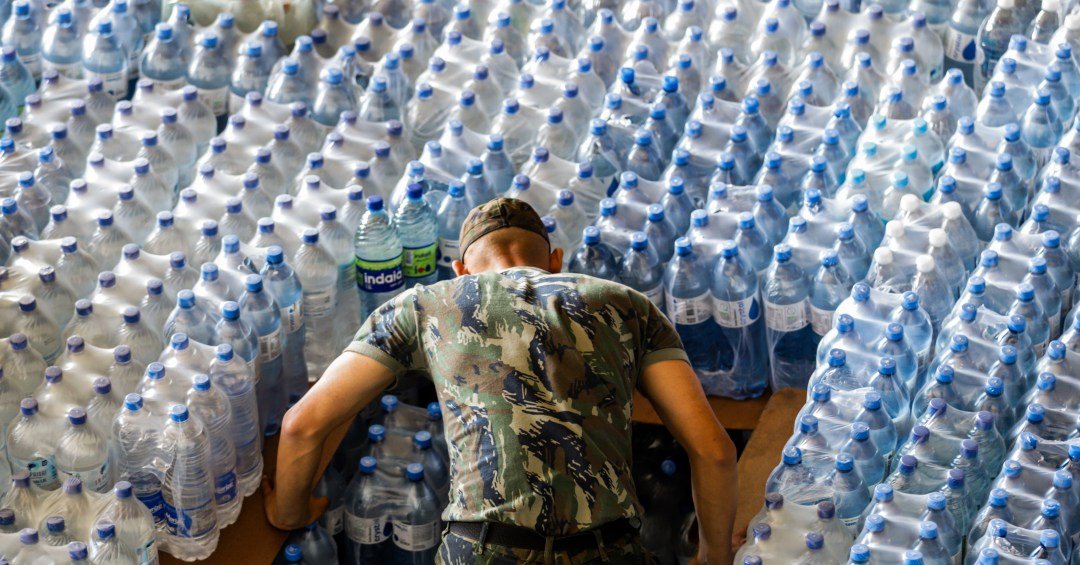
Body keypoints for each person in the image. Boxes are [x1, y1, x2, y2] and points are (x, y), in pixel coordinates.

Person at [264, 198, 738, 563]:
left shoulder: (426, 304)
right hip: (609, 548)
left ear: (461, 270)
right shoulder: (629, 304)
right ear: (555, 259)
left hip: (484, 549)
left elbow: (303, 425)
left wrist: (291, 513)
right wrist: (712, 556)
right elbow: (714, 450)